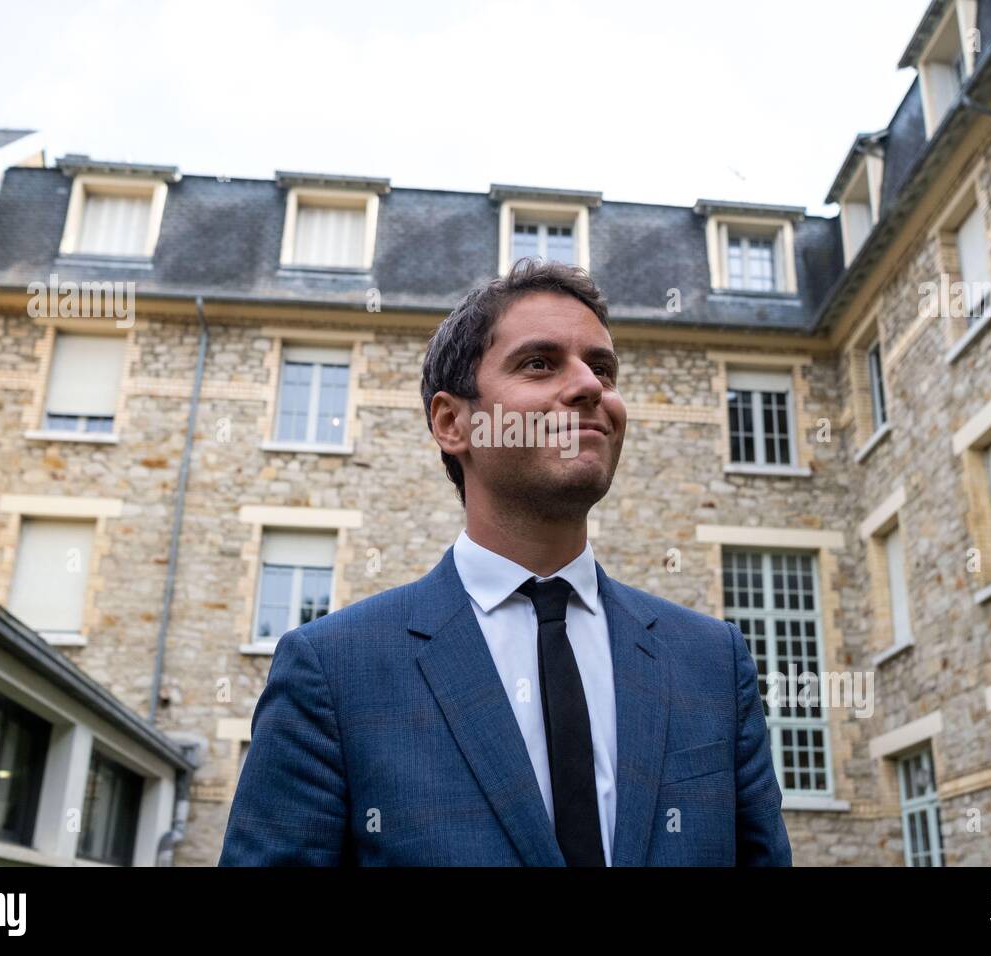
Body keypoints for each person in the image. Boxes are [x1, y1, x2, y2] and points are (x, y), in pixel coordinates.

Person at [219, 258, 791, 866]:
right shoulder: (333, 672)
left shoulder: (711, 662)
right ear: (452, 422)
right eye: (539, 363)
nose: (590, 386)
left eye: (602, 367)